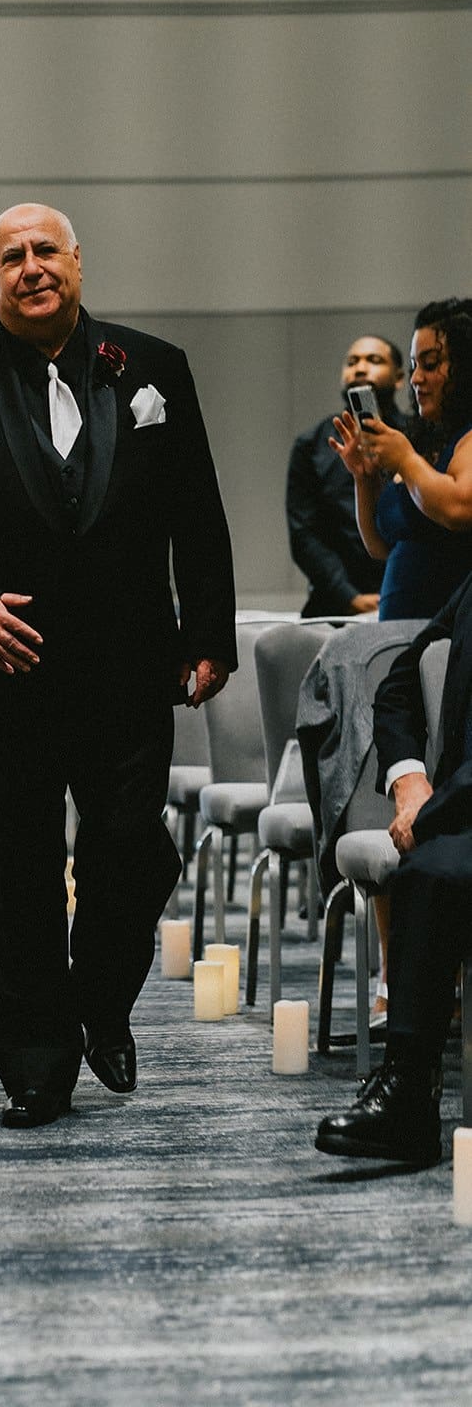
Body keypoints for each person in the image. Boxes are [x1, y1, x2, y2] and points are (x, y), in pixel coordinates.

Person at [0, 202, 236, 1128]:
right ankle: (35, 1062)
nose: (30, 267)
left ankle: (102, 998)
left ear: (78, 261)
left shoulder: (155, 369)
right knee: (12, 868)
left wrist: (209, 632)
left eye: (45, 251)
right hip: (4, 665)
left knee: (130, 844)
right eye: (11, 257)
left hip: (128, 663)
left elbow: (196, 509)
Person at [315, 571, 472, 1165]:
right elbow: (400, 682)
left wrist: (436, 810)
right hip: (461, 806)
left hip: (463, 801)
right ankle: (409, 1093)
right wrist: (407, 778)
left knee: (437, 866)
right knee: (429, 871)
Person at [331, 307, 472, 621]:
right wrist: (364, 479)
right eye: (413, 366)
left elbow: (458, 509)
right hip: (402, 634)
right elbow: (381, 547)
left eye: (431, 364)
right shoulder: (425, 441)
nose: (417, 378)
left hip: (447, 640)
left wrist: (406, 460)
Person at [286, 335, 406, 617]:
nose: (360, 368)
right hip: (334, 602)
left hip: (407, 591)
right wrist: (348, 596)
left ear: (400, 377)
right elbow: (304, 533)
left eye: (374, 360)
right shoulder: (312, 443)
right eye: (352, 362)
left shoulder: (417, 436)